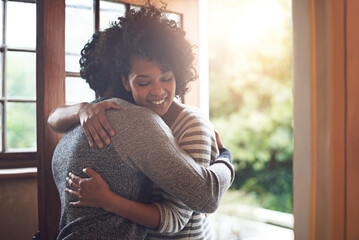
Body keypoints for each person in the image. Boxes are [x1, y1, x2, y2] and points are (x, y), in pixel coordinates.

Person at [50, 5, 233, 240]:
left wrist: (224, 158)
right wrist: (226, 158)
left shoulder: (73, 132)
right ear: (125, 80)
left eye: (165, 78)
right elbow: (52, 119)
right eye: (143, 81)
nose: (157, 90)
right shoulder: (115, 118)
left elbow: (198, 203)